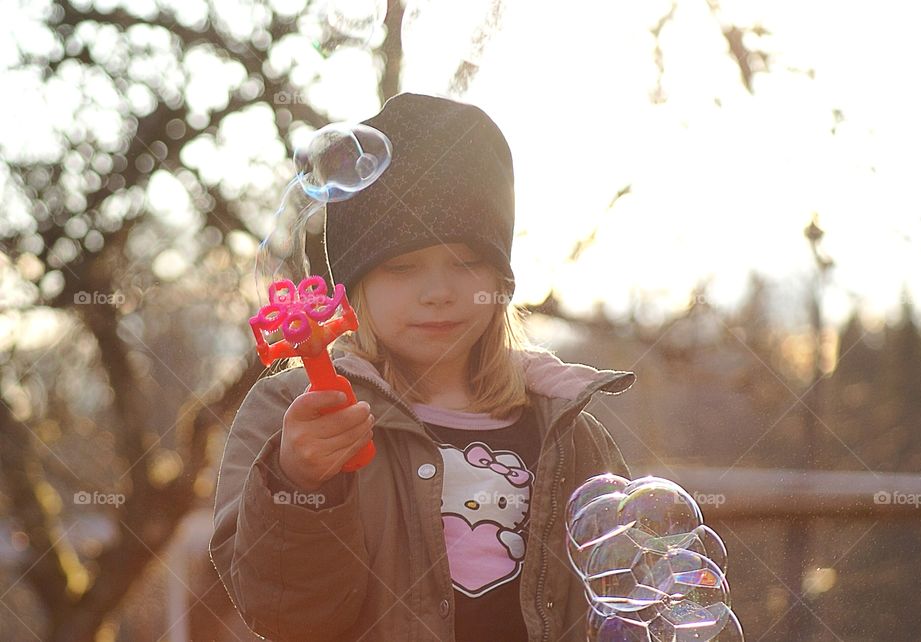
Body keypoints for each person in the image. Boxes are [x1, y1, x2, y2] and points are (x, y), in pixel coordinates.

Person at [210, 93, 636, 642]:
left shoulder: (567, 424)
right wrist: (300, 484)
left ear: (501, 282)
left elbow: (620, 593)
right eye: (401, 266)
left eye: (466, 262)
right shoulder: (294, 413)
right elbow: (287, 615)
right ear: (352, 290)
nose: (437, 292)